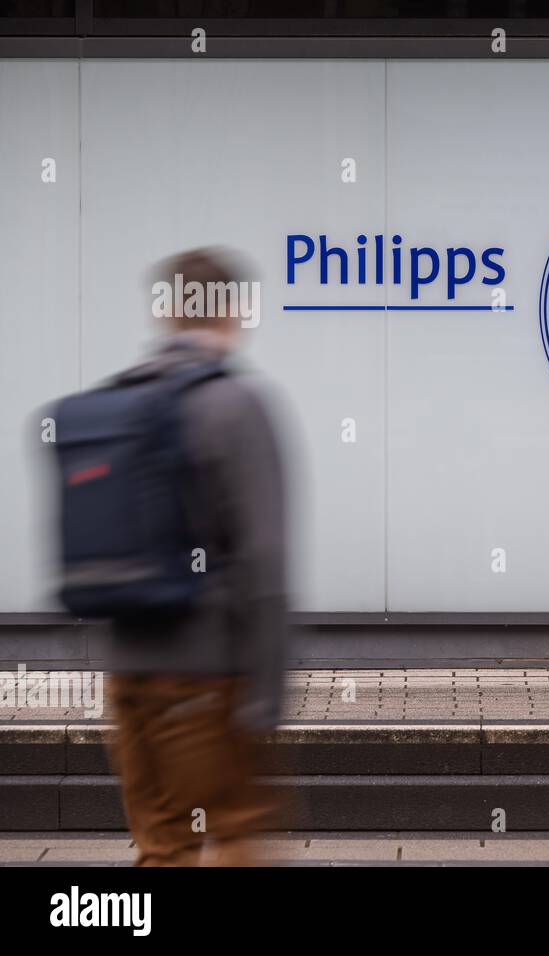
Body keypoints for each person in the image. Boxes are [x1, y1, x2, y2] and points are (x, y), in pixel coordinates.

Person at [97, 247, 289, 866]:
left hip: (127, 675)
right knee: (234, 832)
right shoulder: (235, 405)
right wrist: (266, 689)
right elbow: (263, 558)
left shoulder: (117, 403)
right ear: (229, 308)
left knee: (163, 845)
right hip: (207, 675)